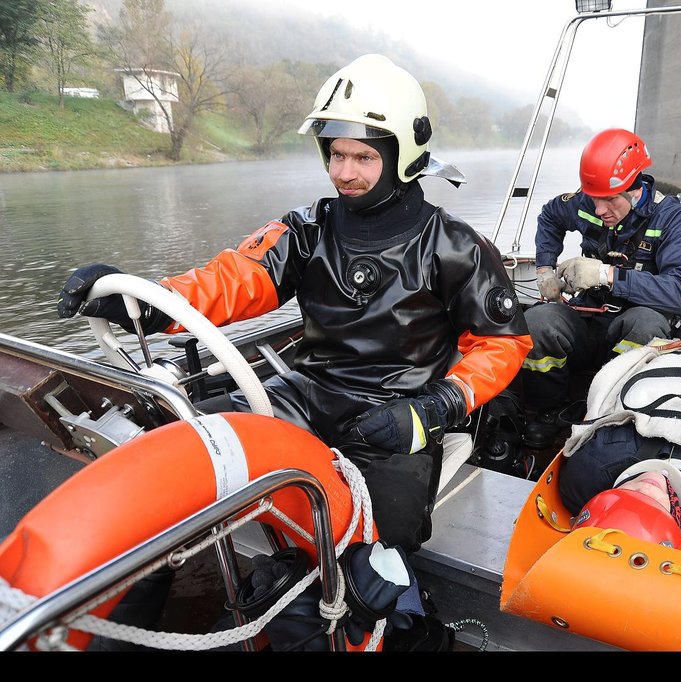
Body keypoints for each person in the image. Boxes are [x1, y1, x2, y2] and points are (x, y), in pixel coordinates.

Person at [57, 54, 532, 555]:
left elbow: (501, 344)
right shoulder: (306, 230)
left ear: (403, 155)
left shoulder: (456, 246)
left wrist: (435, 407)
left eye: (363, 157)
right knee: (179, 454)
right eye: (335, 154)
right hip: (302, 395)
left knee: (381, 549)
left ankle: (391, 616)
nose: (344, 173)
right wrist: (139, 299)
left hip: (396, 412)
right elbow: (234, 279)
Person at [518, 128, 681, 448]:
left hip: (632, 323)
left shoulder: (672, 219)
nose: (600, 211)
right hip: (587, 317)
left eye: (610, 201)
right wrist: (546, 271)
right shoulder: (589, 202)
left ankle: (612, 418)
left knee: (645, 326)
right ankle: (547, 411)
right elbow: (550, 216)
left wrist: (609, 275)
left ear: (634, 190)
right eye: (594, 200)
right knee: (538, 323)